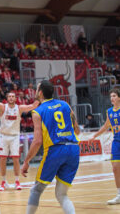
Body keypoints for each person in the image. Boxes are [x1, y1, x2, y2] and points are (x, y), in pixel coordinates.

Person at [21, 80, 80, 214]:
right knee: (61, 194)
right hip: (73, 149)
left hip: (55, 150)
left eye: (36, 89)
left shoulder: (38, 112)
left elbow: (37, 141)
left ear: (40, 92)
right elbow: (76, 128)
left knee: (36, 190)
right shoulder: (65, 104)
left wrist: (26, 161)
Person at [0, 82, 40, 191]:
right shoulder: (2, 107)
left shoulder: (20, 108)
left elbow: (33, 106)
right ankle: (4, 182)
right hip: (3, 136)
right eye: (9, 96)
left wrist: (38, 94)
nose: (11, 98)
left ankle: (17, 181)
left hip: (15, 137)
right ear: (7, 98)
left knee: (16, 159)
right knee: (2, 159)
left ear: (15, 98)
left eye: (13, 96)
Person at [90, 88, 120, 205]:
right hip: (116, 142)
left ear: (119, 97)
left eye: (114, 96)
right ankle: (119, 195)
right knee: (115, 168)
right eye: (111, 96)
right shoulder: (109, 111)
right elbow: (106, 125)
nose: (112, 98)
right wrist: (95, 135)